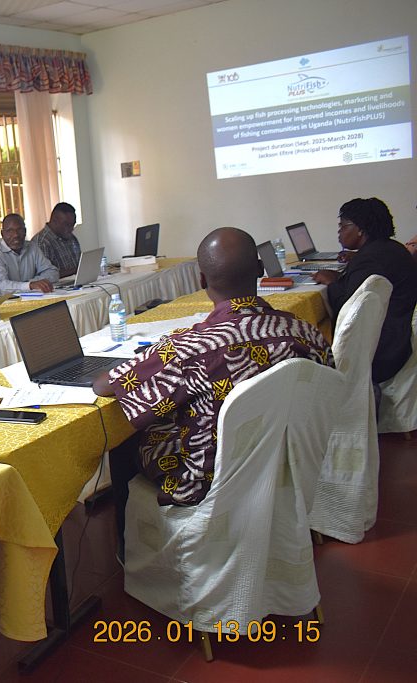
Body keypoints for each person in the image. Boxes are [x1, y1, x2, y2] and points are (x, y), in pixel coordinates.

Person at [92, 228, 332, 559]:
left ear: (202, 279)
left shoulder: (187, 349)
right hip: (289, 466)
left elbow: (107, 386)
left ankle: (130, 553)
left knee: (126, 436)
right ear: (261, 269)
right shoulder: (305, 332)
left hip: (206, 481)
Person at [312, 198, 417, 384]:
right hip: (398, 339)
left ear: (360, 229)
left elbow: (348, 309)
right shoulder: (392, 248)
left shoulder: (369, 261)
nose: (339, 231)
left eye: (343, 226)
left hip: (381, 352)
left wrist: (332, 283)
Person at [0, 213, 59, 297]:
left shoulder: (32, 247)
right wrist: (30, 285)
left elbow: (53, 272)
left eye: (20, 230)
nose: (16, 235)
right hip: (1, 305)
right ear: (2, 234)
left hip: (29, 299)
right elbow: (1, 286)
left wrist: (32, 283)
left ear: (25, 231)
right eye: (10, 231)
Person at [30, 202, 81, 278]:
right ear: (54, 221)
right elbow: (46, 275)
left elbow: (79, 262)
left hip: (76, 283)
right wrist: (77, 270)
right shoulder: (42, 242)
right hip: (57, 287)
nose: (71, 228)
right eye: (67, 224)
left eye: (73, 224)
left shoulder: (71, 237)